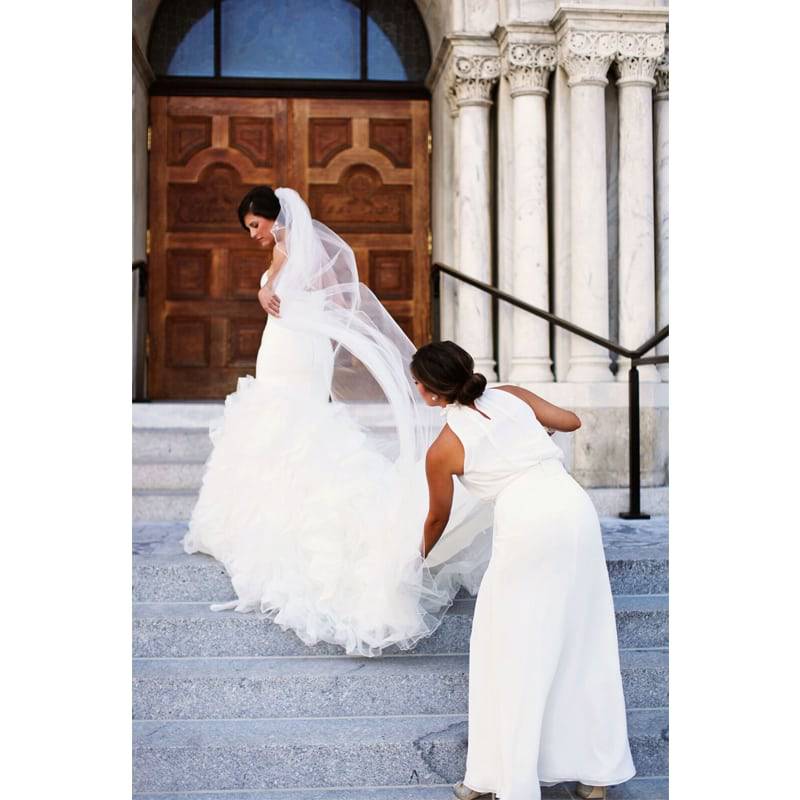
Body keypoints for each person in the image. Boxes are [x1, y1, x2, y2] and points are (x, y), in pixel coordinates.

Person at [183, 186, 491, 657]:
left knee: (284, 423)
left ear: (274, 218)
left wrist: (267, 289)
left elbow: (328, 301)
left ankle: (283, 514)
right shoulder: (292, 250)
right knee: (281, 426)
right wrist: (268, 289)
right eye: (249, 228)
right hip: (287, 350)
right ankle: (273, 504)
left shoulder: (290, 247)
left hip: (293, 354)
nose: (253, 235)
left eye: (255, 226)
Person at [411, 341, 636, 800]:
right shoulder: (511, 394)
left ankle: (500, 779)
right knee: (583, 636)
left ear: (432, 393)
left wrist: (419, 558)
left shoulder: (444, 448)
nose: (415, 386)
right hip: (573, 508)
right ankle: (596, 775)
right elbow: (571, 422)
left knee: (508, 649)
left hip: (528, 524)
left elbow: (438, 518)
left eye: (417, 380)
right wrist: (529, 438)